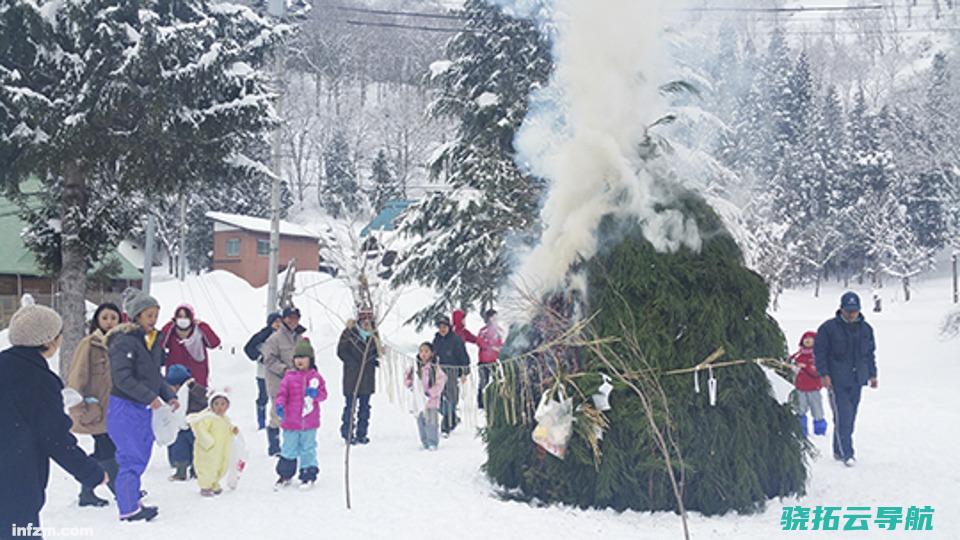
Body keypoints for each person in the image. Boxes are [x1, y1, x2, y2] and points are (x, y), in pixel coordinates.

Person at [0, 305, 107, 533]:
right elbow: (55, 438)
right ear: (48, 341)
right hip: (14, 484)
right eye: (59, 335)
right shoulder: (38, 380)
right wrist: (92, 473)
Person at [107, 290, 180, 522]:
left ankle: (132, 500)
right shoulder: (123, 342)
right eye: (149, 315)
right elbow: (123, 379)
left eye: (156, 315)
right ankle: (128, 508)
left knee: (139, 455)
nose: (153, 319)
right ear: (137, 316)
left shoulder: (152, 341)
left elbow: (155, 376)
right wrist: (150, 397)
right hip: (125, 406)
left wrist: (168, 395)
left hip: (142, 407)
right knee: (130, 457)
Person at [65, 302, 122, 507]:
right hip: (96, 408)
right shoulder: (89, 343)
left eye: (113, 318)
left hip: (116, 408)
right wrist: (78, 405)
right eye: (105, 317)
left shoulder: (122, 344)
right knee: (107, 449)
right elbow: (77, 375)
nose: (109, 322)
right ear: (98, 319)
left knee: (103, 451)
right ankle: (121, 491)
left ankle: (86, 492)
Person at [814, 292, 878, 467]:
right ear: (841, 309)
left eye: (855, 310)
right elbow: (820, 354)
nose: (851, 314)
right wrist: (824, 374)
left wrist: (873, 374)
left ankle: (837, 450)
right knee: (844, 416)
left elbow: (869, 354)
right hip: (836, 380)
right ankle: (847, 453)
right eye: (848, 310)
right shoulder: (828, 328)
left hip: (858, 379)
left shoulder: (866, 329)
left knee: (849, 417)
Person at [274, 339, 327, 490]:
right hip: (291, 422)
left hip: (309, 423)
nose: (300, 361)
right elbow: (282, 394)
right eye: (297, 358)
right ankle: (285, 474)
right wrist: (279, 405)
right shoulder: (289, 378)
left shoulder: (316, 378)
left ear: (310, 360)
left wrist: (316, 394)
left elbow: (323, 395)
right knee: (288, 448)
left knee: (308, 449)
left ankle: (308, 474)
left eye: (303, 357)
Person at [263, 306, 306, 456]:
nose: (293, 321)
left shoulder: (300, 338)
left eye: (296, 318)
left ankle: (293, 444)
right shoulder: (274, 338)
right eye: (290, 318)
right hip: (278, 381)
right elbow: (268, 360)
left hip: (297, 381)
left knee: (295, 412)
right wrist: (284, 370)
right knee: (277, 412)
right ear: (283, 319)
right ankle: (274, 446)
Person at [337, 310, 380, 445]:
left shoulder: (373, 334)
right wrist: (352, 362)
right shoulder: (349, 333)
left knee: (365, 407)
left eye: (369, 319)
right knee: (350, 406)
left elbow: (376, 351)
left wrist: (373, 359)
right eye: (364, 319)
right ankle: (348, 434)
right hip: (353, 376)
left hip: (367, 376)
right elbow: (341, 351)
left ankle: (362, 433)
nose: (366, 322)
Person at [187, 390, 238, 496]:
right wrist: (208, 442)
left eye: (223, 404)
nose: (220, 407)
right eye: (216, 404)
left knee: (220, 466)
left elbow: (226, 428)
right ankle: (205, 486)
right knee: (207, 468)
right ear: (211, 405)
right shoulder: (207, 418)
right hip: (209, 450)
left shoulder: (225, 419)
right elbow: (200, 430)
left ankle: (214, 483)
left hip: (220, 450)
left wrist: (233, 430)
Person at [164, 364, 208, 481]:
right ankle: (180, 471)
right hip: (179, 427)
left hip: (194, 426)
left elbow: (205, 399)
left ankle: (197, 470)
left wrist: (193, 387)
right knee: (179, 450)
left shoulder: (195, 390)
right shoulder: (170, 395)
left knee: (197, 450)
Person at [161, 304, 221, 388]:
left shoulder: (199, 331)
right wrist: (169, 326)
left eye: (186, 317)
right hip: (175, 379)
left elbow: (214, 343)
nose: (182, 320)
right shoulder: (171, 332)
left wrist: (203, 326)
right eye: (180, 316)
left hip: (197, 378)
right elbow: (160, 344)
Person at [404, 342, 447, 450]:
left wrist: (431, 393)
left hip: (431, 401)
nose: (423, 354)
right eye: (421, 351)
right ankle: (424, 441)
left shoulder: (435, 368)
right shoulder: (415, 367)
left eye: (426, 351)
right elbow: (408, 378)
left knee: (431, 422)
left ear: (431, 353)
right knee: (421, 422)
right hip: (418, 400)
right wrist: (409, 383)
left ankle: (432, 441)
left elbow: (440, 382)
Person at [243, 312, 282, 430]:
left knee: (279, 397)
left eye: (280, 322)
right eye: (276, 322)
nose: (278, 325)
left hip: (279, 372)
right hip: (263, 373)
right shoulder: (262, 335)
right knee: (263, 396)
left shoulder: (285, 335)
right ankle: (261, 421)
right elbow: (248, 348)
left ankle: (278, 420)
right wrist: (259, 357)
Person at [432, 315, 469, 437]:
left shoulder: (456, 340)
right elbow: (433, 355)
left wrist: (464, 372)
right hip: (439, 372)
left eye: (444, 327)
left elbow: (464, 357)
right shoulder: (436, 339)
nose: (442, 329)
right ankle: (452, 418)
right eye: (440, 327)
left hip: (452, 372)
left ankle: (446, 427)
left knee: (451, 398)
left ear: (449, 327)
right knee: (439, 399)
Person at [789, 331, 826, 438]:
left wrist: (806, 367)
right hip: (800, 388)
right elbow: (790, 363)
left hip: (814, 388)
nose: (808, 341)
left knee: (817, 410)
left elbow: (817, 372)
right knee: (800, 409)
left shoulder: (817, 356)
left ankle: (820, 431)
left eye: (811, 339)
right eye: (806, 339)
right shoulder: (798, 355)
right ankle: (801, 431)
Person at [476, 309, 504, 409]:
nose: (495, 319)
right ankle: (481, 403)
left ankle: (498, 399)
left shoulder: (500, 330)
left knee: (499, 380)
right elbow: (479, 342)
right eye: (493, 317)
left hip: (496, 361)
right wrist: (491, 346)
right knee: (483, 382)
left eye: (496, 317)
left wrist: (500, 349)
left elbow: (503, 343)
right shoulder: (483, 331)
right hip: (484, 361)